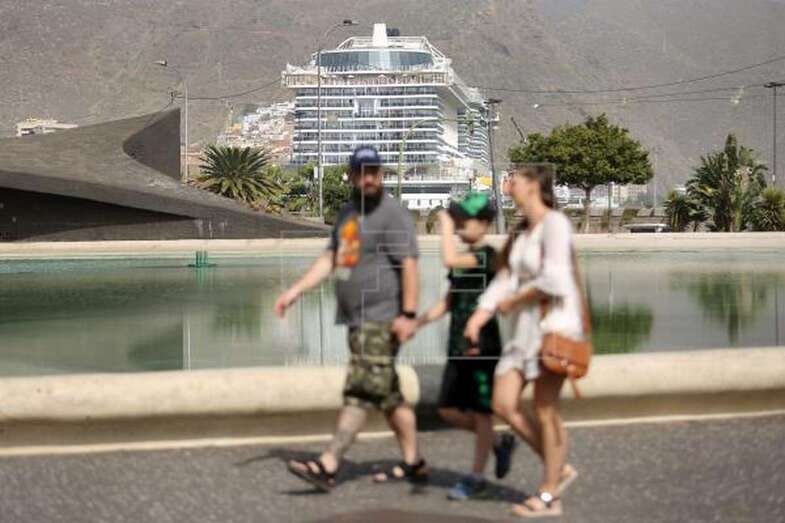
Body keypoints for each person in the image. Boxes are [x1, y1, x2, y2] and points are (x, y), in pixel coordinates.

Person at [274, 146, 428, 492]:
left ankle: (328, 463)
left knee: (359, 390)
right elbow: (331, 258)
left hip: (382, 318)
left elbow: (410, 266)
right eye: (362, 172)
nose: (369, 178)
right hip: (357, 320)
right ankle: (413, 462)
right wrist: (295, 291)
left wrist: (408, 314)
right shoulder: (347, 215)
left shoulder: (393, 215)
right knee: (388, 395)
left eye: (374, 171)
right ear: (352, 175)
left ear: (382, 174)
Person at [464, 164, 582, 518]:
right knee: (503, 403)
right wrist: (480, 315)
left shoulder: (555, 224)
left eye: (513, 179)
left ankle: (549, 496)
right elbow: (505, 279)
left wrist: (514, 301)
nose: (507, 183)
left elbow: (557, 280)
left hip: (554, 330)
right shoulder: (523, 231)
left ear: (533, 186)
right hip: (522, 334)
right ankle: (557, 466)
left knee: (546, 410)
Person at [416, 193, 516, 500]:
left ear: (484, 224)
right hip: (457, 345)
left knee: (481, 413)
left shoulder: (488, 256)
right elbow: (450, 300)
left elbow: (449, 258)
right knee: (447, 410)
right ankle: (499, 444)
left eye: (464, 221)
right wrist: (417, 323)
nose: (458, 226)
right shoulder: (465, 259)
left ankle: (476, 476)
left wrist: (444, 227)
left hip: (481, 346)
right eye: (456, 220)